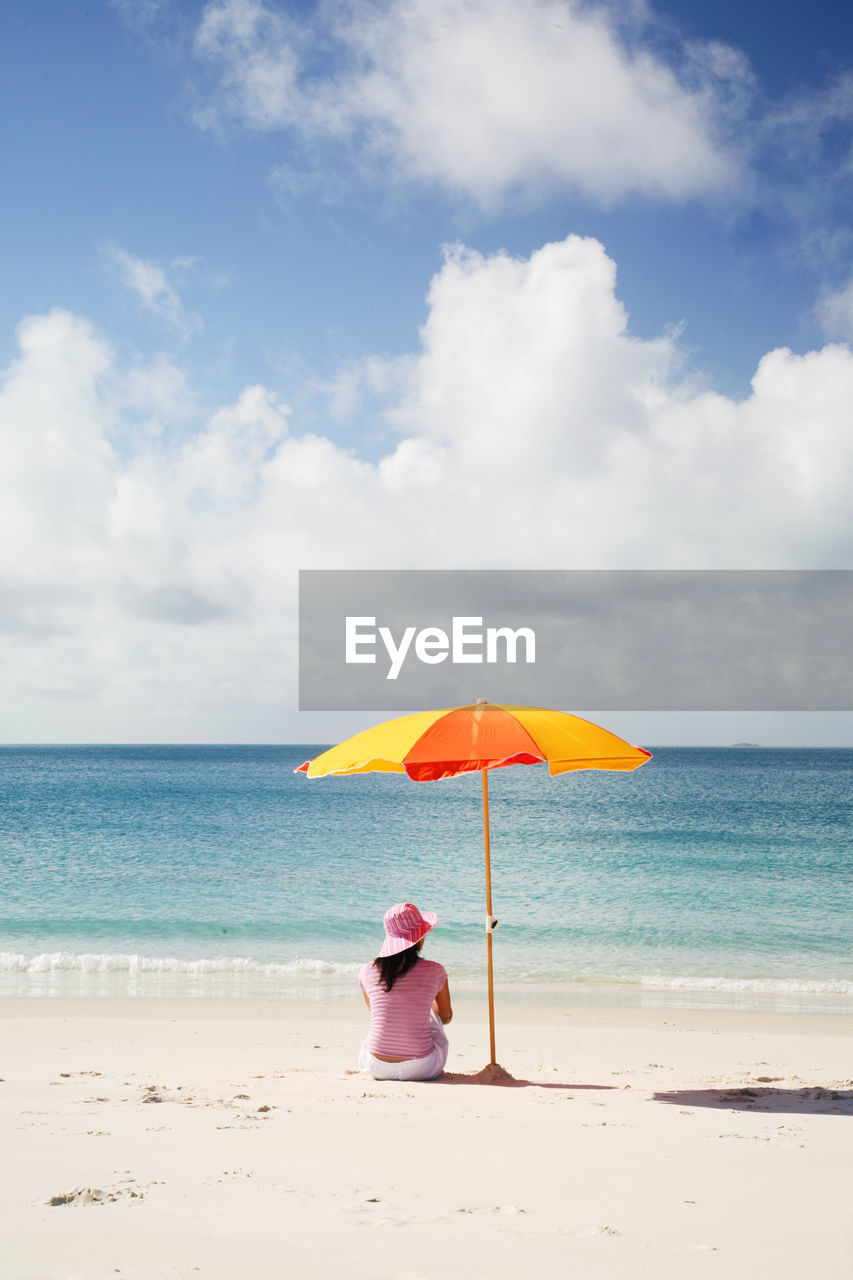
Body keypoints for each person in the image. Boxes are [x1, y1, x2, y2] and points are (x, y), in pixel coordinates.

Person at [358, 902, 452, 1081]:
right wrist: (427, 1003)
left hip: (375, 1065)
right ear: (420, 938)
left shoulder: (366, 971)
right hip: (422, 1067)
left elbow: (378, 1013)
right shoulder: (436, 971)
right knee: (430, 1014)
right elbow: (446, 1017)